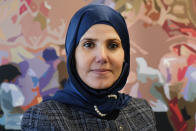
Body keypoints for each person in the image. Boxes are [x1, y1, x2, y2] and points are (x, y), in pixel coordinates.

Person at [21, 4, 156, 131]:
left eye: (113, 45)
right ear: (73, 54)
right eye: (88, 44)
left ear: (124, 54)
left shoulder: (141, 112)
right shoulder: (44, 118)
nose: (102, 57)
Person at [0, 64, 25, 130]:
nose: (16, 81)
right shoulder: (11, 88)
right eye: (15, 78)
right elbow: (20, 102)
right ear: (7, 78)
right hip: (15, 124)